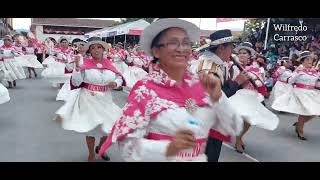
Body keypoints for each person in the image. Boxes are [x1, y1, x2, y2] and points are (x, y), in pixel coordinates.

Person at [98, 18, 243, 162]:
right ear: (156, 51)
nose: (181, 48)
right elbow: (127, 147)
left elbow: (234, 126)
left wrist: (218, 98)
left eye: (186, 43)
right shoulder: (145, 91)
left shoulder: (201, 85)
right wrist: (169, 148)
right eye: (173, 43)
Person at [55, 37, 126, 161]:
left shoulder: (109, 64)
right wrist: (77, 68)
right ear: (89, 51)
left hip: (105, 99)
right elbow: (76, 83)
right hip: (88, 98)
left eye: (99, 47)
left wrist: (115, 83)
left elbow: (119, 78)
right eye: (93, 48)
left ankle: (101, 147)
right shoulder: (84, 64)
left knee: (109, 126)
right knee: (91, 127)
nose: (96, 50)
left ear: (104, 49)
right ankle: (91, 154)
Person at [190, 29, 250, 161]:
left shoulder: (215, 63)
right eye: (231, 47)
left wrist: (238, 84)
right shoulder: (208, 67)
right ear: (221, 48)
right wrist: (237, 82)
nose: (233, 51)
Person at [230, 42, 278, 153]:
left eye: (244, 53)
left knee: (249, 121)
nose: (242, 55)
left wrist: (254, 78)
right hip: (238, 95)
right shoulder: (233, 66)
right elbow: (231, 82)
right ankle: (238, 139)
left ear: (249, 55)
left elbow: (261, 83)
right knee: (241, 118)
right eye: (240, 53)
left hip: (253, 96)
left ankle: (239, 137)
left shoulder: (256, 68)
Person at [272, 51, 320, 140]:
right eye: (307, 59)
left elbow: (317, 84)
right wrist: (298, 73)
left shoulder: (315, 72)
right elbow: (290, 81)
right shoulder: (299, 70)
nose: (310, 61)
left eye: (311, 59)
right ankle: (300, 131)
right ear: (302, 61)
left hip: (311, 94)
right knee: (303, 112)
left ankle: (299, 124)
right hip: (300, 93)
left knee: (314, 113)